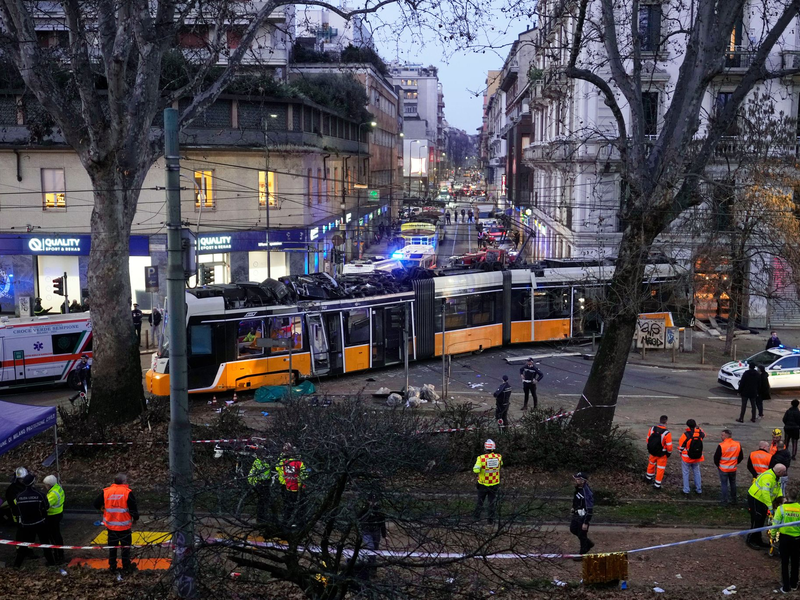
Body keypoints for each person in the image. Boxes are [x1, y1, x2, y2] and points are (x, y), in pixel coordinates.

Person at [94, 473, 139, 572]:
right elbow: (133, 509)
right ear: (124, 481)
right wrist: (135, 519)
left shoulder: (106, 492)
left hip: (111, 526)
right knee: (125, 549)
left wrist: (104, 509)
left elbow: (96, 504)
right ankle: (126, 567)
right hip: (124, 527)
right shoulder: (127, 493)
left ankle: (112, 567)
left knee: (112, 548)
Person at [13, 472, 55, 568]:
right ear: (33, 483)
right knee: (45, 544)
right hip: (40, 523)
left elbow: (17, 509)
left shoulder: (19, 496)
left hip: (26, 524)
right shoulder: (40, 495)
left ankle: (17, 565)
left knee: (23, 545)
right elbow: (46, 507)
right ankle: (52, 563)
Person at [748, 463, 787, 548]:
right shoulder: (768, 477)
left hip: (763, 500)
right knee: (756, 519)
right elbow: (765, 493)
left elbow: (778, 488)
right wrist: (770, 507)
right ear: (779, 471)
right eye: (784, 471)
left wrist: (781, 498)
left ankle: (758, 540)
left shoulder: (777, 477)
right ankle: (750, 540)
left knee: (761, 520)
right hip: (756, 499)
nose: (785, 473)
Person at [773, 482, 800, 593]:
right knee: (795, 562)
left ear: (787, 496)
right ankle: (794, 584)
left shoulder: (781, 509)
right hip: (797, 539)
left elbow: (776, 524)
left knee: (784, 562)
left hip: (785, 539)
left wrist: (773, 536)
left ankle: (786, 587)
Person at [357, 493, 388, 581]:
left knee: (374, 551)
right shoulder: (364, 510)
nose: (373, 503)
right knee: (370, 548)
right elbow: (358, 520)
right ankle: (368, 568)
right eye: (371, 501)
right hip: (366, 532)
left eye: (375, 501)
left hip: (376, 532)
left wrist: (384, 535)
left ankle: (373, 570)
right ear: (368, 501)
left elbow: (382, 522)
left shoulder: (379, 511)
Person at [276, 443, 307, 526]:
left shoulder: (285, 462)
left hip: (288, 486)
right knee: (300, 506)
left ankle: (286, 521)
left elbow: (280, 470)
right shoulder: (299, 463)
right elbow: (304, 474)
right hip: (298, 487)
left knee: (288, 506)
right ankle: (299, 522)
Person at [473, 439, 502, 524]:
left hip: (483, 484)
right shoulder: (499, 457)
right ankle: (490, 520)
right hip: (495, 484)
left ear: (485, 448)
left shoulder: (481, 458)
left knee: (480, 502)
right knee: (491, 503)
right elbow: (501, 464)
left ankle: (476, 518)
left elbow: (475, 470)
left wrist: (479, 468)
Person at [713, 430, 743, 505]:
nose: (721, 436)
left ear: (726, 436)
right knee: (733, 484)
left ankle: (724, 500)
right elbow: (741, 457)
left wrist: (719, 465)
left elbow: (716, 458)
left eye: (722, 435)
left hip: (723, 469)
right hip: (733, 468)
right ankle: (734, 499)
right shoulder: (737, 444)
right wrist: (735, 463)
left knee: (724, 484)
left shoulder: (721, 445)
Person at [678, 419, 705, 497]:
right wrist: (698, 428)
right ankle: (698, 489)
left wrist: (681, 452)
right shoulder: (700, 433)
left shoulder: (686, 435)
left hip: (687, 457)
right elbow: (704, 434)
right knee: (697, 472)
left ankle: (686, 490)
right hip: (697, 457)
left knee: (686, 473)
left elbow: (681, 447)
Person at [570, 472, 595, 557]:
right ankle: (587, 543)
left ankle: (583, 552)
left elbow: (589, 508)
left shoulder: (586, 492)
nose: (576, 480)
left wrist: (586, 522)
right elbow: (576, 500)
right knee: (573, 529)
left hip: (583, 516)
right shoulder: (578, 489)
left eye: (578, 479)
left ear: (583, 481)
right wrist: (574, 507)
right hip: (576, 515)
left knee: (582, 534)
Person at [645, 415, 673, 490]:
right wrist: (668, 453)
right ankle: (657, 484)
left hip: (652, 451)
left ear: (659, 421)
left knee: (651, 464)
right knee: (660, 468)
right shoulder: (667, 433)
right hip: (662, 454)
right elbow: (669, 446)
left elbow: (648, 440)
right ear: (666, 422)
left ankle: (648, 478)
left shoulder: (652, 429)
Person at [43, 474, 65, 564]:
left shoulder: (52, 495)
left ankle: (57, 555)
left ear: (49, 485)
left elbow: (45, 505)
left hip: (52, 516)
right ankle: (60, 553)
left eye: (45, 485)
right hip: (58, 513)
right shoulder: (58, 488)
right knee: (57, 535)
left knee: (53, 536)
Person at [248, 453, 272, 524]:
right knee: (261, 502)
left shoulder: (263, 462)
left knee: (265, 501)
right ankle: (260, 518)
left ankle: (263, 517)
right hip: (260, 484)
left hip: (265, 484)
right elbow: (263, 469)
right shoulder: (257, 462)